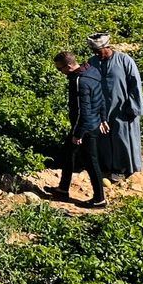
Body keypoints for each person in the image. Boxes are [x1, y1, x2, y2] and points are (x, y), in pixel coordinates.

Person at [43, 51, 109, 208]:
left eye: (61, 69)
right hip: (92, 122)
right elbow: (100, 97)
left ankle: (100, 199)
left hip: (86, 127)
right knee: (68, 154)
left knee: (91, 162)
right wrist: (103, 118)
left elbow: (82, 111)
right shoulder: (92, 71)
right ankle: (63, 189)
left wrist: (78, 134)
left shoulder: (79, 81)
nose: (61, 72)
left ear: (69, 66)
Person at [88, 32, 143, 179]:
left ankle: (124, 168)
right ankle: (107, 167)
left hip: (122, 109)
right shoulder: (92, 62)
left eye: (98, 51)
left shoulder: (125, 60)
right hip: (102, 109)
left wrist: (133, 107)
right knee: (104, 139)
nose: (97, 54)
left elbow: (135, 85)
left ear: (107, 47)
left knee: (123, 138)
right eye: (94, 52)